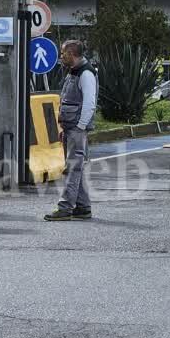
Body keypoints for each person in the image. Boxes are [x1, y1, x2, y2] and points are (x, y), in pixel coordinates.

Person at [45, 40, 97, 221]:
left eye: (63, 53)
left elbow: (90, 104)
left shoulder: (86, 74)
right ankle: (83, 207)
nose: (61, 56)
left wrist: (80, 127)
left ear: (72, 53)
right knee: (76, 168)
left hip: (76, 128)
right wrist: (65, 127)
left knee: (72, 168)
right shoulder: (74, 71)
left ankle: (65, 207)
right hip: (71, 127)